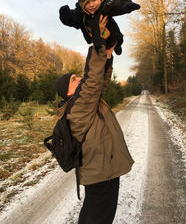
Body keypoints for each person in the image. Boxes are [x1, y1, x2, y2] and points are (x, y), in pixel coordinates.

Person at [54, 15, 134, 224]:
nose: (79, 78)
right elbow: (91, 81)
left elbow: (99, 83)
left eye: (77, 76)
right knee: (100, 218)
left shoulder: (82, 103)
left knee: (92, 213)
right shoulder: (78, 106)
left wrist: (107, 56)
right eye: (74, 80)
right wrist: (97, 42)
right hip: (101, 173)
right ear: (68, 92)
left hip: (99, 171)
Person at [59, 0, 140, 55]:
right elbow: (72, 19)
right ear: (81, 4)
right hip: (96, 43)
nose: (92, 5)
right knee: (101, 59)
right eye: (87, 2)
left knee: (118, 39)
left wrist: (126, 5)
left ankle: (117, 45)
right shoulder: (80, 15)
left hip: (113, 36)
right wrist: (65, 15)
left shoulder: (104, 6)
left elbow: (116, 4)